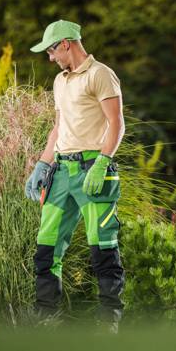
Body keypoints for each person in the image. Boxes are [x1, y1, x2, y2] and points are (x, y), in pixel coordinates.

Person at [24, 20, 125, 332]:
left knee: (102, 248)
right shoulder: (60, 81)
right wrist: (41, 165)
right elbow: (58, 128)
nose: (50, 57)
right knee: (46, 249)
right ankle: (46, 322)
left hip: (92, 171)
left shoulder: (100, 75)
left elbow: (117, 123)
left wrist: (102, 162)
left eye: (52, 49)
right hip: (61, 172)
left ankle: (108, 327)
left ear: (66, 43)